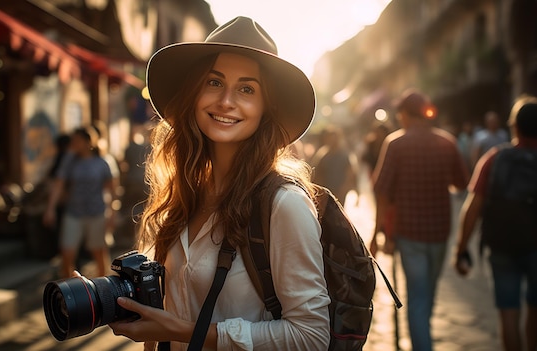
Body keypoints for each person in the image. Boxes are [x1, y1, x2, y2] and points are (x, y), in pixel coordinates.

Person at [103, 16, 330, 350]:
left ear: (267, 107)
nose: (226, 101)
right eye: (214, 82)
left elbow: (312, 337)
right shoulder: (185, 194)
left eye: (247, 89)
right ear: (194, 93)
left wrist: (184, 331)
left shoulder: (283, 203)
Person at [453, 95, 537, 351]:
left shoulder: (493, 159)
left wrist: (460, 249)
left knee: (508, 312)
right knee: (536, 305)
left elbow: (473, 207)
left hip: (502, 244)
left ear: (514, 126)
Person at [370, 89, 468, 351]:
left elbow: (382, 192)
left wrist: (378, 234)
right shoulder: (447, 143)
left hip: (409, 233)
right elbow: (461, 182)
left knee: (418, 298)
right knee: (428, 295)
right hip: (439, 231)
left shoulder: (395, 144)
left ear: (404, 115)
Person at [43, 126, 117, 278]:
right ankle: (70, 290)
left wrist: (112, 213)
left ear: (88, 142)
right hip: (74, 212)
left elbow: (112, 190)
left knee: (98, 251)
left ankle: (103, 288)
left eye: (78, 140)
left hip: (96, 212)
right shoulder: (69, 160)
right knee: (67, 252)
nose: (74, 143)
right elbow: (58, 184)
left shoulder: (102, 162)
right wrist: (50, 209)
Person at [311, 125, 358, 206]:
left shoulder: (345, 155)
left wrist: (345, 188)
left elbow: (350, 173)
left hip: (340, 192)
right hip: (326, 192)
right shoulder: (322, 155)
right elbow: (317, 173)